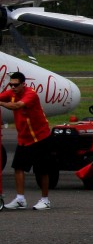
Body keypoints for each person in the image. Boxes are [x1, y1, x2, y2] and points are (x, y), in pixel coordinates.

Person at [0, 71, 54, 210]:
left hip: (40, 137)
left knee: (42, 170)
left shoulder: (30, 94)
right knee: (18, 168)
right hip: (24, 138)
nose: (12, 87)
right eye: (11, 85)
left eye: (16, 85)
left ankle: (45, 200)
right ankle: (20, 199)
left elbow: (17, 106)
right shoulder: (11, 93)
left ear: (23, 84)